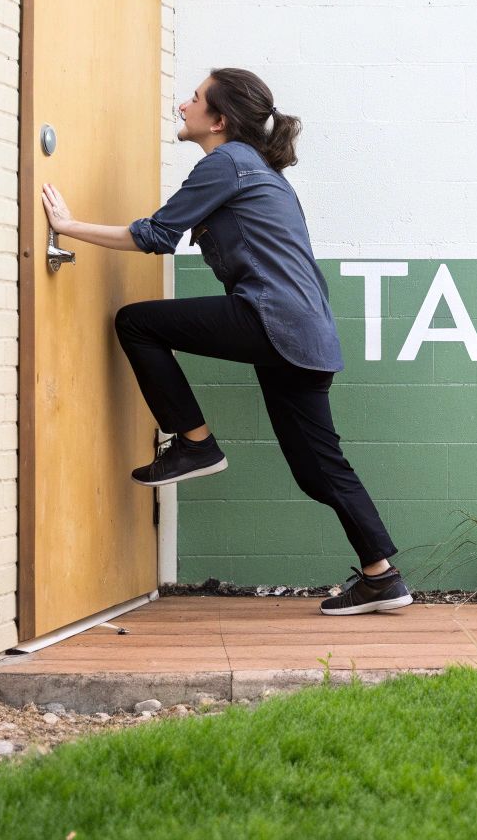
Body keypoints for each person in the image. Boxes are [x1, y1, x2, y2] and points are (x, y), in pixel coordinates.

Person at [39, 68, 412, 616]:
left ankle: (195, 442)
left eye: (194, 98)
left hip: (272, 319)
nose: (182, 105)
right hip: (302, 330)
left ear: (218, 120)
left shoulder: (227, 164)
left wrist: (68, 227)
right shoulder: (251, 166)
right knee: (318, 468)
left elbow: (156, 236)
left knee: (137, 323)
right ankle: (383, 577)